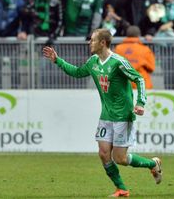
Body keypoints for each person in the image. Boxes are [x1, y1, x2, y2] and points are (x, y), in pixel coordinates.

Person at [42, 28, 162, 197]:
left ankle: (152, 164)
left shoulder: (118, 62)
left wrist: (140, 103)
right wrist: (57, 60)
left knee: (120, 158)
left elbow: (139, 78)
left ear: (103, 43)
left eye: (92, 40)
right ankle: (122, 189)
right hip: (106, 116)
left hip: (122, 115)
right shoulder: (93, 62)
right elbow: (77, 72)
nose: (89, 42)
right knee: (104, 153)